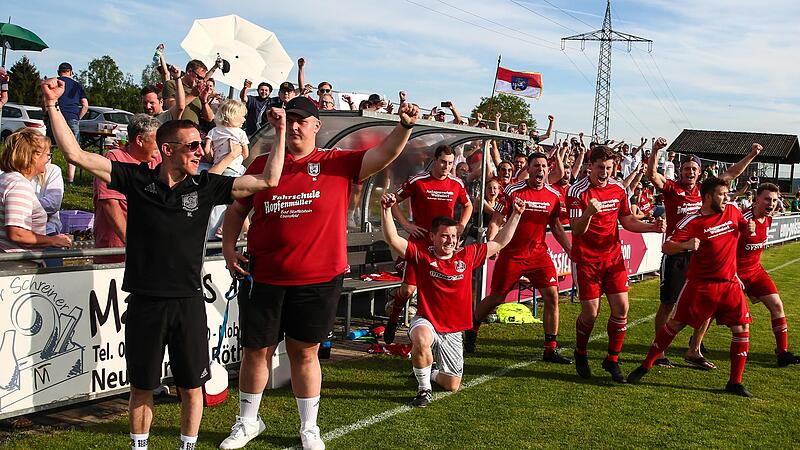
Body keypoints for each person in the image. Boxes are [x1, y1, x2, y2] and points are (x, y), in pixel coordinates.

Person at [42, 76, 287, 450]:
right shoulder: (135, 178)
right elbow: (76, 155)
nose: (200, 152)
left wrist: (280, 130)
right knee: (142, 386)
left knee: (192, 385)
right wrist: (53, 106)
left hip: (188, 302)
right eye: (192, 146)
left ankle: (186, 447)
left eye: (201, 145)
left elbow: (269, 180)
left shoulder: (206, 186)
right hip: (145, 300)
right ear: (168, 149)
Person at [218, 97, 419, 450]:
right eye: (290, 119)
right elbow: (235, 211)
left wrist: (403, 127)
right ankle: (248, 421)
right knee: (256, 351)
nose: (295, 126)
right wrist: (229, 248)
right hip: (265, 276)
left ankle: (309, 427)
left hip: (318, 279)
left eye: (302, 120)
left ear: (316, 127)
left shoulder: (336, 163)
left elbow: (383, 155)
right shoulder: (264, 164)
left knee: (305, 352)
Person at [381, 192, 524, 407]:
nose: (450, 241)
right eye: (445, 236)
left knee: (452, 384)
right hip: (427, 320)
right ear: (433, 237)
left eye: (454, 237)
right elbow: (393, 239)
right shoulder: (423, 255)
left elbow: (500, 242)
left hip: (453, 329)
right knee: (420, 339)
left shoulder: (467, 255)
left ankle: (429, 373)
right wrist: (385, 210)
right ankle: (423, 390)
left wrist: (517, 214)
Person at [627, 177, 754, 397]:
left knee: (742, 329)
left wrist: (750, 226)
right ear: (707, 197)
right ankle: (647, 364)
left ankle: (735, 382)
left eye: (727, 194)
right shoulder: (692, 221)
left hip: (729, 283)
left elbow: (744, 227)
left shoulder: (733, 211)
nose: (727, 198)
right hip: (700, 285)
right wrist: (686, 245)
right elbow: (667, 247)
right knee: (675, 324)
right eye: (722, 194)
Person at [647, 139, 761, 368]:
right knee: (668, 304)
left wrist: (751, 156)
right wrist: (655, 151)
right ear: (680, 171)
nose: (690, 172)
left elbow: (730, 173)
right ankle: (660, 352)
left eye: (694, 169)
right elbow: (652, 176)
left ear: (700, 173)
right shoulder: (672, 189)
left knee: (709, 305)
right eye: (687, 168)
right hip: (678, 253)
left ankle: (694, 349)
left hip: (703, 256)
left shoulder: (707, 192)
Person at [567, 145, 665, 383]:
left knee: (621, 308)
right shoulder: (576, 191)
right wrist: (589, 213)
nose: (605, 172)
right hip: (587, 260)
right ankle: (580, 352)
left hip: (613, 258)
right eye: (600, 167)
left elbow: (627, 220)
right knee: (590, 313)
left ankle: (612, 359)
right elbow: (577, 230)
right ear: (590, 166)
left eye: (609, 167)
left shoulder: (619, 188)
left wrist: (651, 227)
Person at [465, 152, 572, 362]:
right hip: (512, 254)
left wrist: (569, 249)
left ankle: (550, 348)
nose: (540, 170)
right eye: (536, 166)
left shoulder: (552, 195)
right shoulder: (513, 191)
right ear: (528, 169)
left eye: (543, 166)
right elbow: (495, 220)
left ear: (547, 170)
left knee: (552, 296)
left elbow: (556, 227)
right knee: (497, 297)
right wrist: (492, 247)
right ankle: (472, 329)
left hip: (539, 254)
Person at [382, 145, 473, 344]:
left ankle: (440, 332)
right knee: (407, 291)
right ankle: (393, 319)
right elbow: (394, 201)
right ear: (435, 159)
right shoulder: (418, 181)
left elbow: (468, 205)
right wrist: (406, 224)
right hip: (420, 244)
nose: (446, 167)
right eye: (443, 162)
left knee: (442, 289)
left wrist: (461, 226)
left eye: (450, 163)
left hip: (443, 247)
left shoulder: (456, 183)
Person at [738, 183, 800, 366]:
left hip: (756, 272)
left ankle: (782, 353)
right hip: (735, 275)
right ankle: (696, 342)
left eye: (774, 200)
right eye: (767, 199)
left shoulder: (769, 219)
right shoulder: (743, 220)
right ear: (756, 200)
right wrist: (732, 275)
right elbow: (726, 249)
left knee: (777, 305)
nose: (771, 203)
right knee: (716, 311)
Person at [93, 114, 162, 264]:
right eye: (157, 141)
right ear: (139, 140)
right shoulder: (114, 159)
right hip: (117, 249)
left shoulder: (157, 161)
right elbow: (110, 204)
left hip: (150, 249)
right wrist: (132, 244)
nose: (160, 146)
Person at [0, 128, 73, 267]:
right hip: (17, 265)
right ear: (34, 156)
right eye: (47, 154)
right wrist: (53, 240)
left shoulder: (6, 178)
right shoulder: (18, 185)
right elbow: (17, 234)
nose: (48, 159)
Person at [204, 99, 250, 240]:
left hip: (219, 169)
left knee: (222, 200)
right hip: (234, 171)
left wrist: (213, 158)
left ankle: (245, 228)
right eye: (242, 115)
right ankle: (225, 227)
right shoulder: (240, 133)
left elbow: (207, 151)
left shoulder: (213, 131)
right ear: (232, 115)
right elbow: (246, 153)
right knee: (238, 201)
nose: (243, 119)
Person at [56, 62, 88, 184]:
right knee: (73, 149)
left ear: (59, 72)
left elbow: (45, 101)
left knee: (48, 148)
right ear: (71, 72)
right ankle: (70, 180)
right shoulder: (77, 86)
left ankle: (46, 177)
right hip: (72, 118)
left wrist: (46, 112)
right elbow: (85, 105)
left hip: (55, 116)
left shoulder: (55, 82)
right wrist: (77, 117)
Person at [31, 162, 64, 237]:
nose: (47, 159)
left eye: (49, 155)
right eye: (46, 154)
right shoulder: (9, 174)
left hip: (47, 230)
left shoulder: (52, 170)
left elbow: (53, 204)